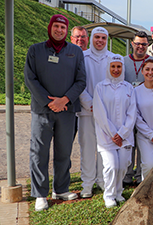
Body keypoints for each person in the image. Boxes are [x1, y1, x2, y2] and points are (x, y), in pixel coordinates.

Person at [24, 14, 86, 211]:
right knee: (39, 152)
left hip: (67, 110)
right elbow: (30, 79)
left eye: (63, 27)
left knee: (64, 151)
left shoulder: (75, 52)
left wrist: (65, 100)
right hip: (42, 110)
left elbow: (81, 81)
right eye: (56, 26)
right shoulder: (35, 50)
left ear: (67, 31)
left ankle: (60, 189)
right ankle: (40, 194)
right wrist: (49, 102)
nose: (59, 30)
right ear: (50, 27)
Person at [93, 54, 137, 208]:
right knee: (112, 165)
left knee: (124, 164)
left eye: (119, 66)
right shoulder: (100, 87)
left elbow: (132, 113)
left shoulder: (128, 87)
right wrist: (114, 134)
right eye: (113, 66)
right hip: (107, 136)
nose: (116, 69)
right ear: (108, 68)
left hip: (125, 136)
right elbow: (100, 114)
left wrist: (122, 133)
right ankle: (109, 195)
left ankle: (118, 191)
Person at [78, 27, 114, 198]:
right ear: (91, 38)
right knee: (87, 147)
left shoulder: (113, 58)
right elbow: (78, 82)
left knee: (104, 147)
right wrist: (90, 103)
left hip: (107, 113)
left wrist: (103, 106)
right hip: (87, 111)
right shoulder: (82, 57)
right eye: (97, 37)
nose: (100, 41)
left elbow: (115, 84)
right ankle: (87, 183)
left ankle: (102, 180)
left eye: (103, 38)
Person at [123, 31, 153, 186]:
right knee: (128, 143)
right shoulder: (124, 61)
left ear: (148, 45)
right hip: (127, 110)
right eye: (137, 43)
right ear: (132, 44)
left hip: (146, 111)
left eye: (144, 44)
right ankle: (126, 175)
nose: (140, 47)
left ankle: (141, 176)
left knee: (143, 143)